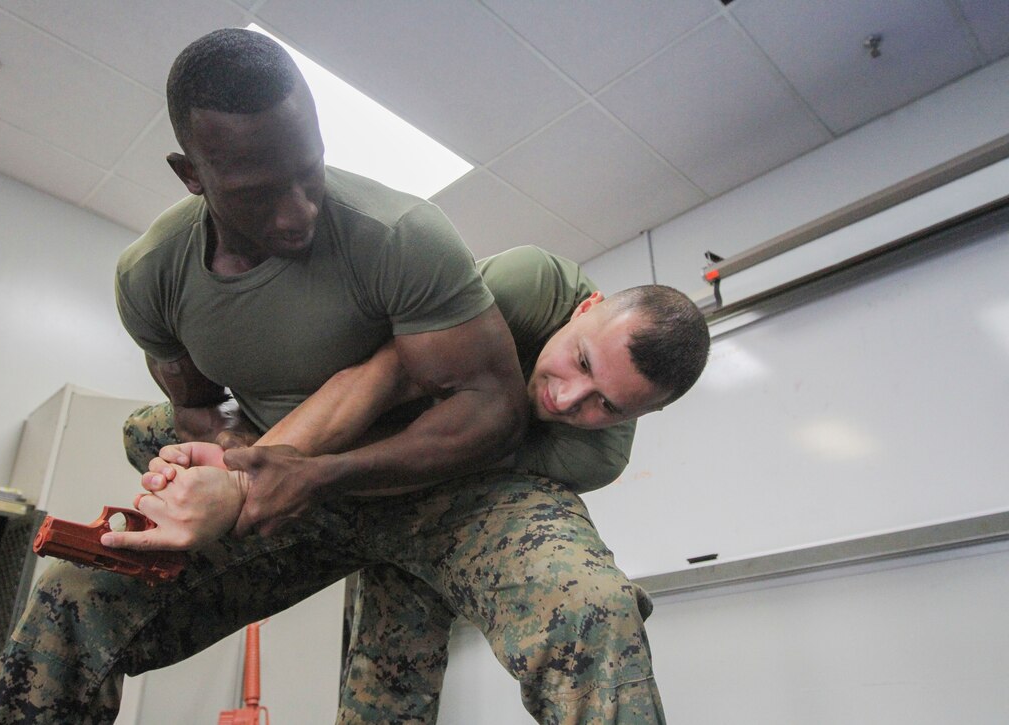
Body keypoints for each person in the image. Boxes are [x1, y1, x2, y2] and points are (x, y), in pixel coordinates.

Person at [0, 29, 705, 725]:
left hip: (448, 491)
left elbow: (485, 412)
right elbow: (207, 406)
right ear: (193, 175)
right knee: (73, 595)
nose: (298, 213)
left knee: (588, 609)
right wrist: (221, 466)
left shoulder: (402, 237)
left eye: (310, 171)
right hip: (301, 480)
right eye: (261, 190)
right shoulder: (153, 277)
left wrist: (267, 478)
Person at [115, 244, 708, 723]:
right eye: (581, 362)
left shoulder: (594, 459)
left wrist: (281, 483)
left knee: (391, 695)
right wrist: (248, 471)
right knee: (148, 431)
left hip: (429, 498)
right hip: (345, 426)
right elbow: (386, 373)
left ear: (641, 416)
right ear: (585, 309)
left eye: (606, 403)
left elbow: (445, 476)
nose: (565, 398)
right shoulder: (532, 284)